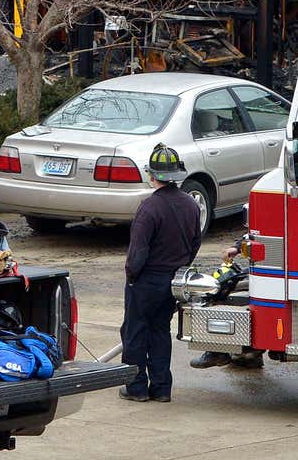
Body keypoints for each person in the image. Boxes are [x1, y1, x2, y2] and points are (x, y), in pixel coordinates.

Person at [119, 144, 202, 403]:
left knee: (134, 332)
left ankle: (136, 388)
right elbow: (195, 243)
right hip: (173, 279)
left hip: (146, 279)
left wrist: (132, 276)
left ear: (152, 175)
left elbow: (138, 253)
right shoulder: (191, 204)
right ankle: (162, 388)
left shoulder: (149, 208)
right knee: (160, 332)